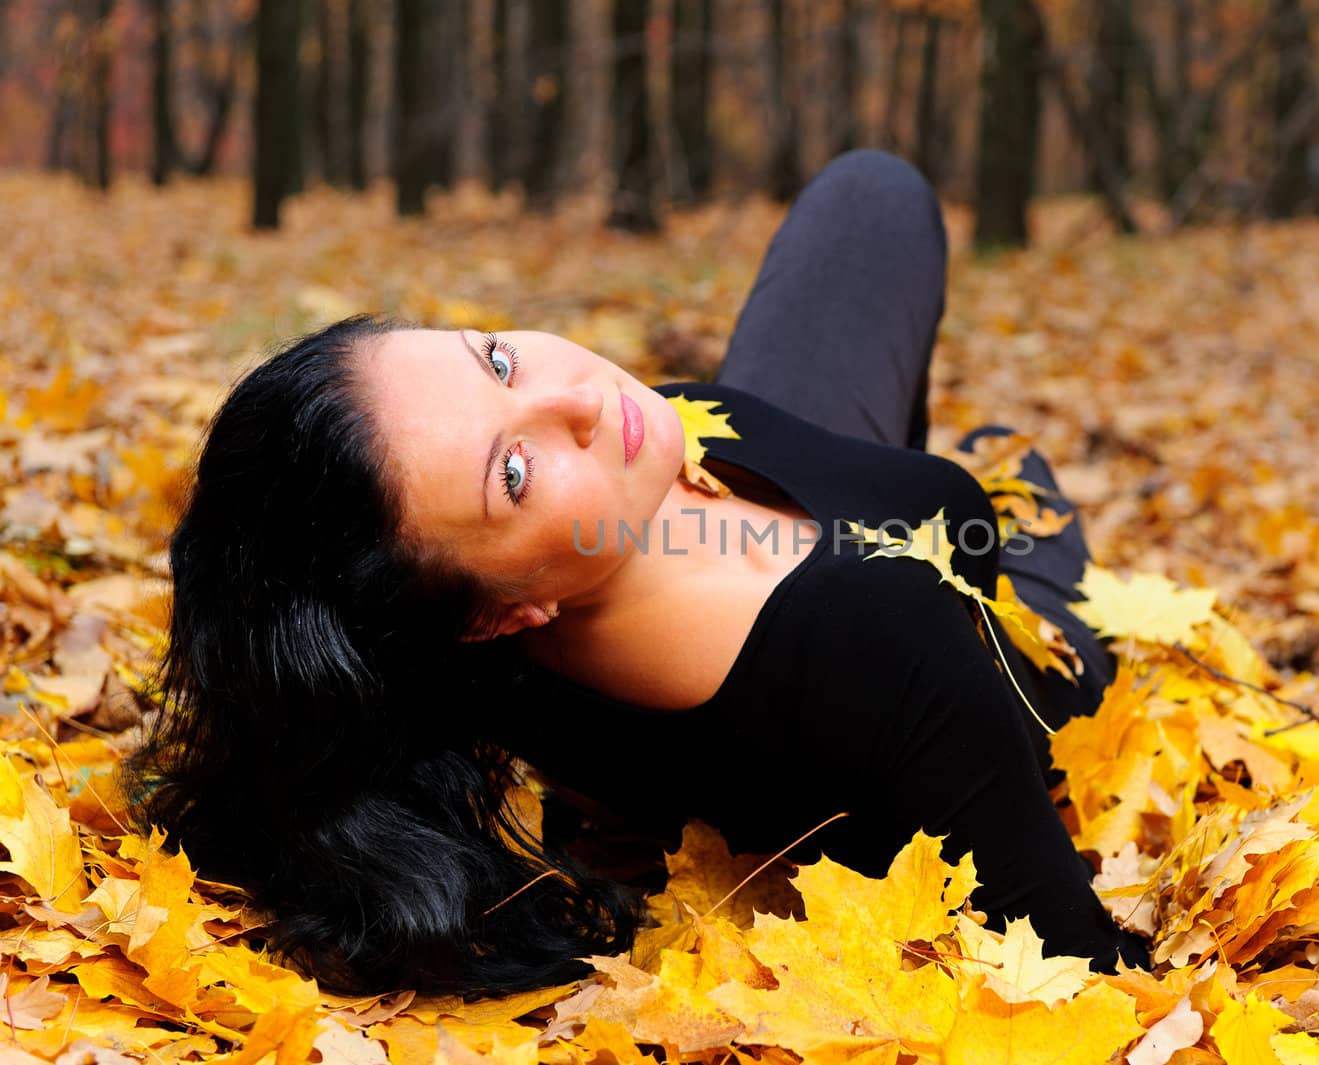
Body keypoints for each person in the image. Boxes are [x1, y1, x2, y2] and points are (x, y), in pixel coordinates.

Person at [123, 150, 1148, 997]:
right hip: (1015, 647)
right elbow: (1089, 981)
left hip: (790, 515)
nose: (574, 397)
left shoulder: (484, 621)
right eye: (512, 472)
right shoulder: (876, 645)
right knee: (1028, 489)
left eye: (492, 360)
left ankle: (965, 460)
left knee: (870, 198)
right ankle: (1002, 484)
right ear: (499, 615)